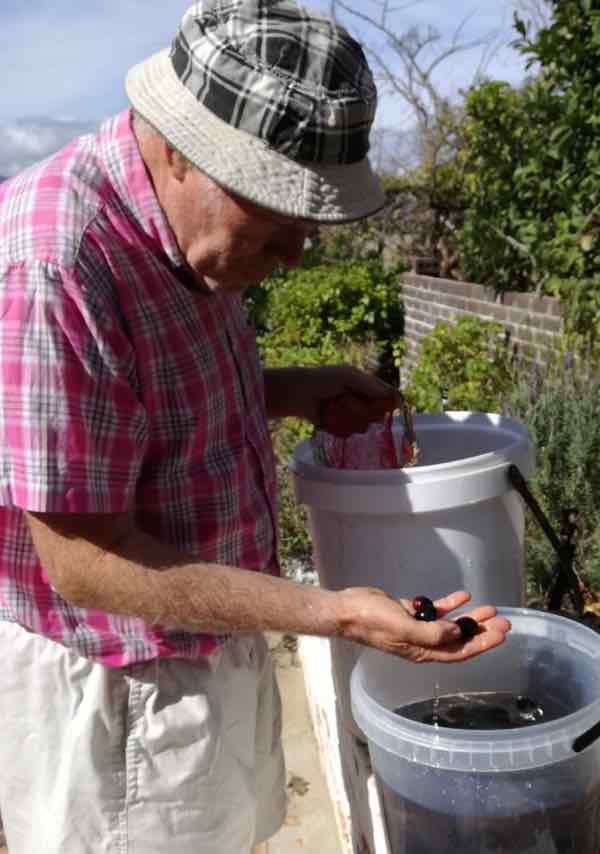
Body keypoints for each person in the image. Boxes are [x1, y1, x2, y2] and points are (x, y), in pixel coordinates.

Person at [0, 1, 510, 852]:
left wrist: (297, 389)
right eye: (276, 215)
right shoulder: (58, 265)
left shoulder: (195, 236)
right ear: (175, 146)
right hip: (120, 692)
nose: (296, 254)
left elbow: (148, 410)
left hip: (208, 637)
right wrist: (338, 614)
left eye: (309, 224)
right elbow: (84, 561)